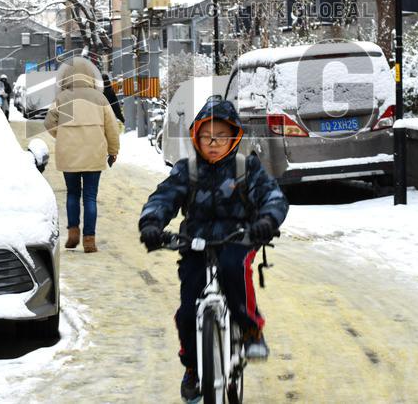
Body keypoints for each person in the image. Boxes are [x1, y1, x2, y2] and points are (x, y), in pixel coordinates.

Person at [138, 97, 288, 402]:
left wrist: (267, 220)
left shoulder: (248, 168)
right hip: (195, 241)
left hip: (239, 237)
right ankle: (193, 366)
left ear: (234, 137)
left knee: (234, 270)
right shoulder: (188, 170)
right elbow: (163, 197)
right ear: (196, 137)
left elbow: (273, 196)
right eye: (206, 136)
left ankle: (250, 331)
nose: (213, 142)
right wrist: (151, 223)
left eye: (221, 135)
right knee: (186, 309)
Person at [45, 57, 121, 253]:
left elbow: (49, 123)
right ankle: (89, 239)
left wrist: (62, 135)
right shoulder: (99, 99)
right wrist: (113, 151)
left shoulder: (62, 98)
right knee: (90, 197)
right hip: (94, 154)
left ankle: (72, 233)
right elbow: (112, 128)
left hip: (68, 153)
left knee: (72, 194)